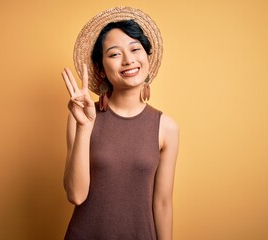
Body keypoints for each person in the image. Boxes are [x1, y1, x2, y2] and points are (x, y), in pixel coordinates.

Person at [61, 7, 179, 240]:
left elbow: (163, 204)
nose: (128, 60)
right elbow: (76, 195)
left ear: (147, 57)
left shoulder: (166, 127)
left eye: (135, 49)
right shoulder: (81, 117)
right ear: (101, 70)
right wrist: (85, 127)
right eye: (114, 54)